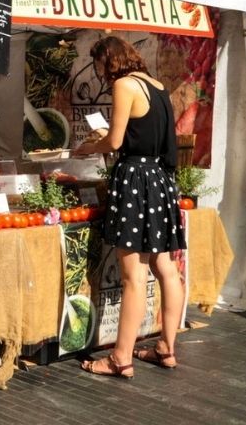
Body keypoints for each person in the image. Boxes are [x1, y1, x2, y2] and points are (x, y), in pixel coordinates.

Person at [73, 35, 184, 379]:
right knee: (165, 267)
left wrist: (87, 147)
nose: (100, 73)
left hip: (136, 181)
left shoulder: (124, 84)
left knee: (133, 274)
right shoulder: (158, 85)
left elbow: (116, 141)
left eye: (99, 65)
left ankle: (120, 358)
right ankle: (166, 347)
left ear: (110, 60)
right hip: (161, 180)